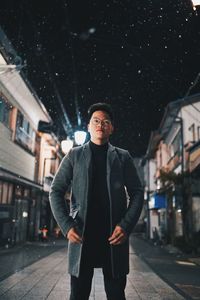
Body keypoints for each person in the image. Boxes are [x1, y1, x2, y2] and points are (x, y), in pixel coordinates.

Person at [49, 103, 144, 300]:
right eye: (96, 121)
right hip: (82, 237)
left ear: (112, 128)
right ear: (89, 126)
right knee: (79, 294)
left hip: (114, 236)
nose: (101, 124)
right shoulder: (74, 155)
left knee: (116, 294)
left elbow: (137, 192)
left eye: (106, 122)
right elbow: (56, 191)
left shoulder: (122, 157)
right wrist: (67, 225)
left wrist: (126, 226)